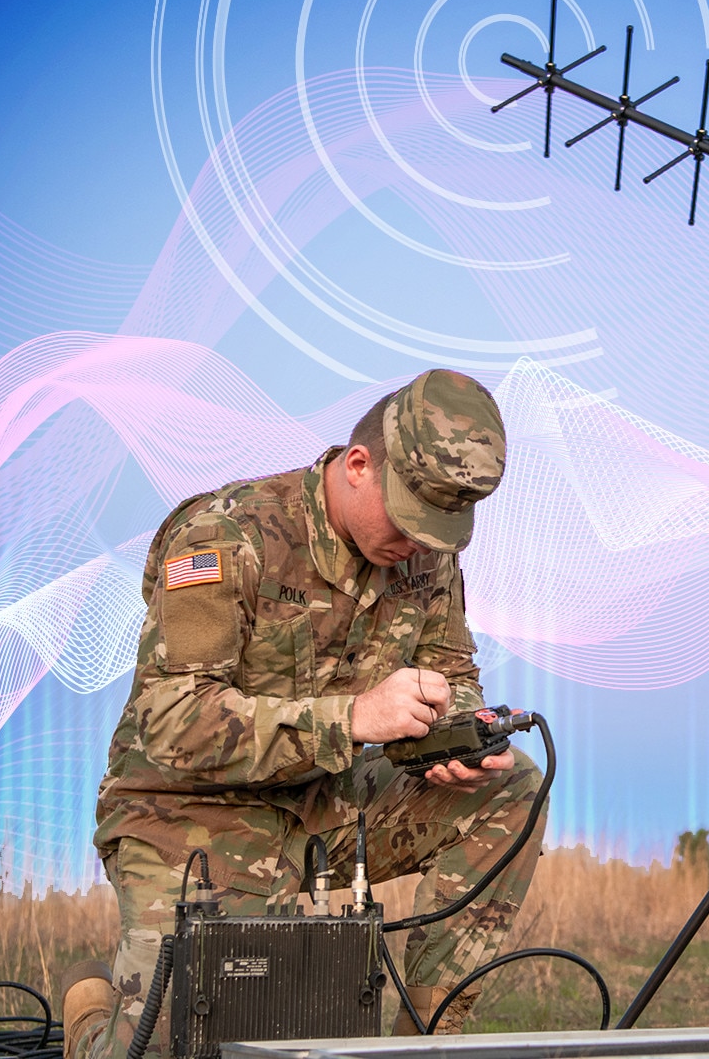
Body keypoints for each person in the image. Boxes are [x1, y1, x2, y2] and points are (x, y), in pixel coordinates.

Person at [60, 369, 543, 1058]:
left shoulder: (428, 558)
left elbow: (451, 672)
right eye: (408, 518)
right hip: (189, 810)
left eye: (438, 528)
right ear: (357, 467)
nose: (418, 543)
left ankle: (422, 1047)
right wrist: (351, 720)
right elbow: (171, 722)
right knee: (198, 1043)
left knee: (513, 786)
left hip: (327, 799)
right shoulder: (225, 538)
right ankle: (91, 1021)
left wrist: (457, 734)